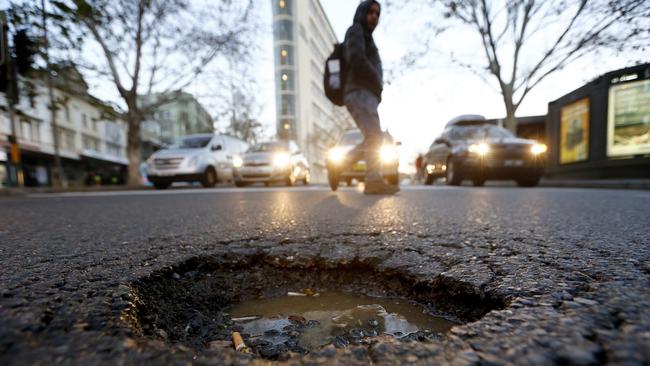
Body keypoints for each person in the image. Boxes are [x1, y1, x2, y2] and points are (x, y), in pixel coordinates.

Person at [343, 0, 398, 195]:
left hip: (366, 93)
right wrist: (376, 80)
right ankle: (373, 180)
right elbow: (356, 59)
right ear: (362, 12)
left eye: (377, 13)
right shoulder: (356, 31)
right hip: (359, 91)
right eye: (371, 12)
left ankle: (338, 166)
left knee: (373, 137)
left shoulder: (366, 36)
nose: (375, 16)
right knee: (375, 136)